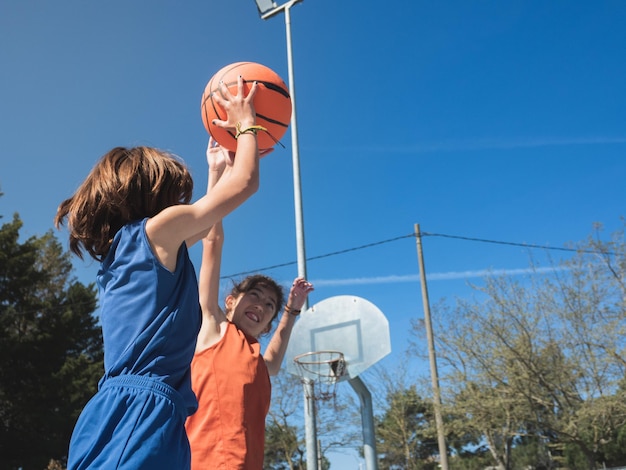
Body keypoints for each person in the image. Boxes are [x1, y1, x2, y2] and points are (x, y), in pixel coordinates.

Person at [55, 76, 264, 470]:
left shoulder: (135, 247)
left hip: (143, 409)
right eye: (178, 196)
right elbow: (247, 184)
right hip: (139, 408)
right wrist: (246, 123)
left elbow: (204, 224)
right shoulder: (156, 232)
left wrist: (216, 168)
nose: (183, 203)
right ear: (158, 195)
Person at [185, 140, 314, 470]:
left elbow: (274, 356)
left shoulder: (259, 363)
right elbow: (212, 240)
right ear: (230, 301)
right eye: (254, 294)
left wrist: (291, 310)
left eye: (270, 305)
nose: (261, 303)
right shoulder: (213, 328)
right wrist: (216, 170)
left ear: (268, 324)